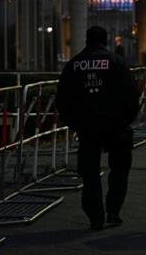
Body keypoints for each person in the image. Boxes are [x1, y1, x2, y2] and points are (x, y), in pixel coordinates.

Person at [56, 26, 141, 230]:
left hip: (87, 127)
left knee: (90, 172)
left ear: (87, 40)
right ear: (106, 40)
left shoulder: (74, 64)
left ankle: (95, 216)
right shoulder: (117, 62)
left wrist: (75, 124)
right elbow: (132, 95)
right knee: (119, 168)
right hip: (116, 126)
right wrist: (126, 120)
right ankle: (113, 210)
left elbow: (63, 99)